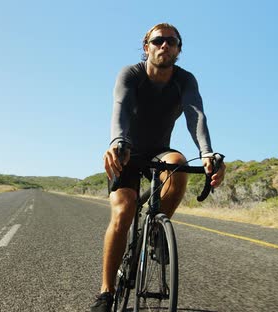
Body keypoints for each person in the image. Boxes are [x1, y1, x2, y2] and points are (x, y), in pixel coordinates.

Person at [91, 22, 226, 312]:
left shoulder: (185, 80)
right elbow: (121, 107)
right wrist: (117, 142)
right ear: (146, 47)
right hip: (127, 150)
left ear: (178, 49)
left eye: (171, 41)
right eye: (158, 41)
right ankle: (106, 293)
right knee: (124, 210)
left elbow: (196, 115)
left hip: (159, 151)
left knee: (178, 164)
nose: (164, 45)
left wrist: (207, 153)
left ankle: (155, 231)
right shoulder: (132, 74)